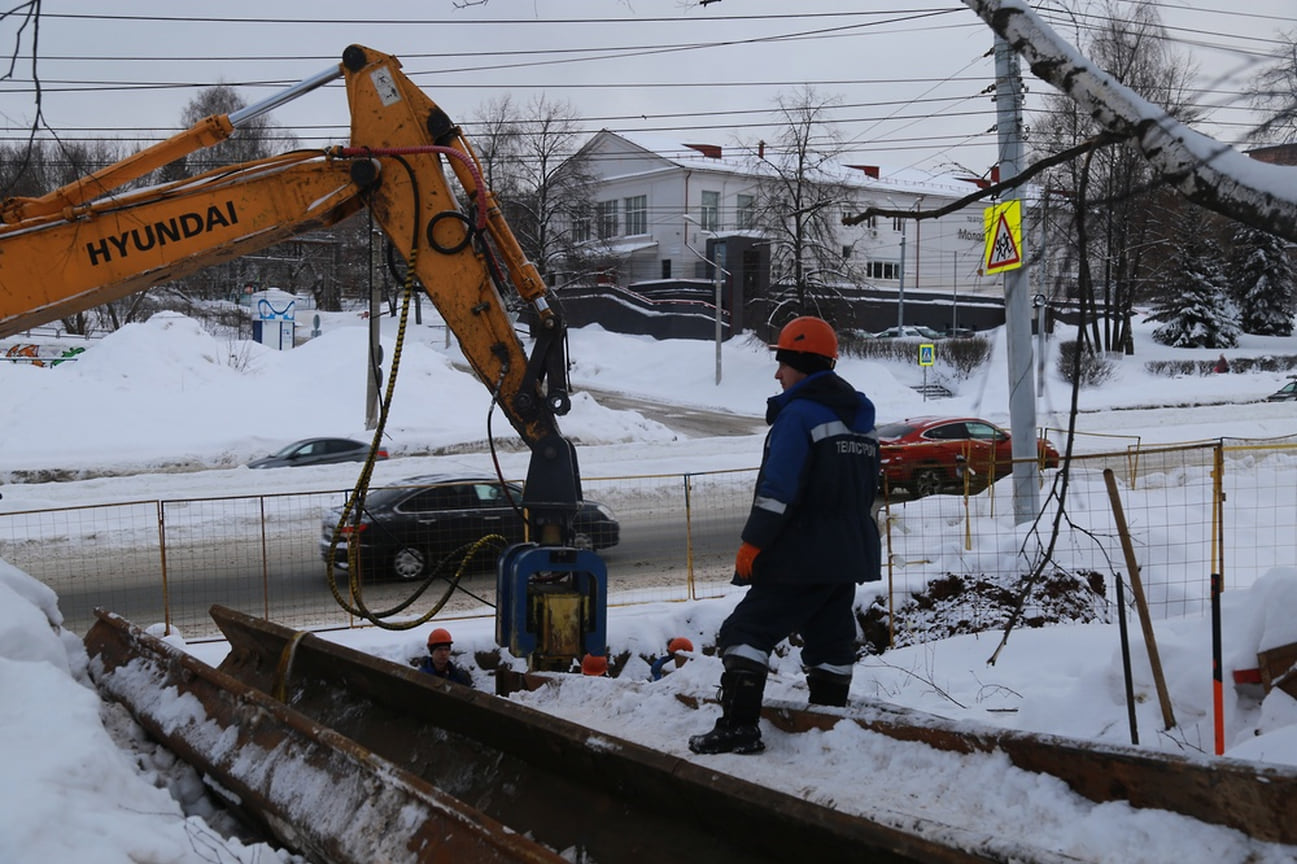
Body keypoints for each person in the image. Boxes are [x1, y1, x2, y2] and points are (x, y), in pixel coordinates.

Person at [688, 316, 882, 755]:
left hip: (801, 554)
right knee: (831, 641)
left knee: (745, 630)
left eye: (782, 364)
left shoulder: (798, 415)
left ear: (801, 364)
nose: (778, 374)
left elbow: (778, 491)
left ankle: (739, 728)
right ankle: (828, 729)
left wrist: (754, 542)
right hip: (847, 555)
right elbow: (865, 491)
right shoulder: (860, 419)